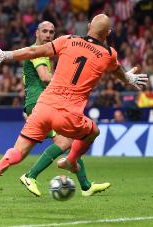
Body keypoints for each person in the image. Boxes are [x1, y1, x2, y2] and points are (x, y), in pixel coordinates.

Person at [0, 14, 148, 184]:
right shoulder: (108, 54)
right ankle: (71, 160)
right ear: (108, 33)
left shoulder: (67, 40)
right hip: (68, 114)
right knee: (93, 132)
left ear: (89, 25)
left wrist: (6, 55)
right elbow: (117, 69)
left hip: (43, 106)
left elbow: (34, 51)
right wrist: (128, 78)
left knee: (20, 150)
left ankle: (6, 160)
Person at [19, 21, 110, 197]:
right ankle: (30, 175)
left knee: (71, 143)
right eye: (44, 31)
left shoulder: (42, 51)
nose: (48, 35)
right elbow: (45, 77)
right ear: (36, 33)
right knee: (65, 143)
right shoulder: (39, 53)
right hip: (43, 103)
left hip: (42, 102)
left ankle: (85, 185)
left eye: (51, 32)